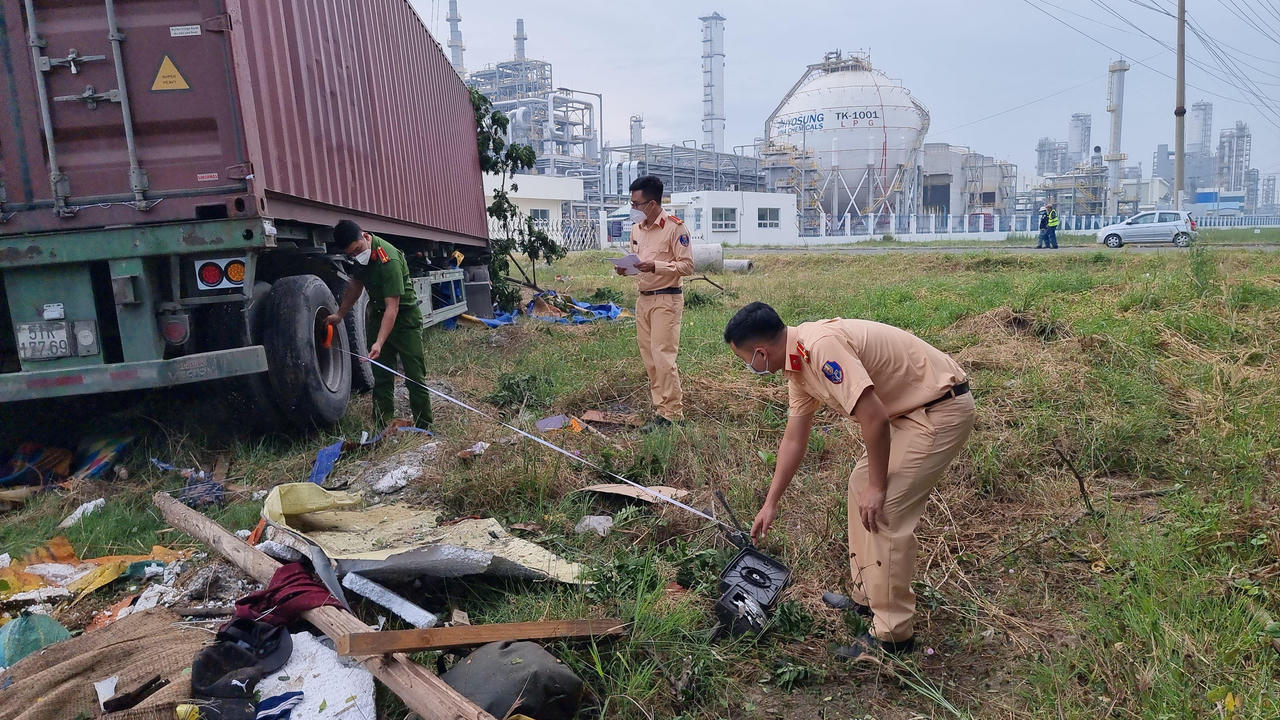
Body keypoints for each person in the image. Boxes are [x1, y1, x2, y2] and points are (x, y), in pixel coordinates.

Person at [723, 302, 975, 658]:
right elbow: (795, 438)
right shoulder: (797, 366)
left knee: (884, 506)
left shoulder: (820, 348)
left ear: (761, 352)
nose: (749, 367)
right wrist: (770, 503)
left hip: (939, 409)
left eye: (746, 360)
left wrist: (879, 486)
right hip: (906, 412)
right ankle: (866, 596)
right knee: (860, 487)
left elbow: (873, 418)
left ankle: (892, 636)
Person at [325, 219, 433, 429]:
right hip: (379, 317)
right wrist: (339, 314)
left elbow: (393, 307)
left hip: (404, 320)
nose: (356, 256)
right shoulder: (359, 258)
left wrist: (379, 342)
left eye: (357, 250)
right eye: (351, 255)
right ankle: (382, 425)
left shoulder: (388, 259)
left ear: (364, 236)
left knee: (414, 376)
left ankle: (424, 426)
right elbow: (355, 287)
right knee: (381, 376)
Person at [617, 175, 694, 431]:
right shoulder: (637, 229)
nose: (633, 209)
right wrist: (626, 269)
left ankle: (673, 416)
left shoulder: (675, 228)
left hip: (667, 297)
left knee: (663, 357)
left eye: (637, 204)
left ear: (652, 203)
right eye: (632, 204)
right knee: (649, 358)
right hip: (644, 299)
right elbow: (638, 262)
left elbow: (687, 266)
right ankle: (661, 410)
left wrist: (656, 265)